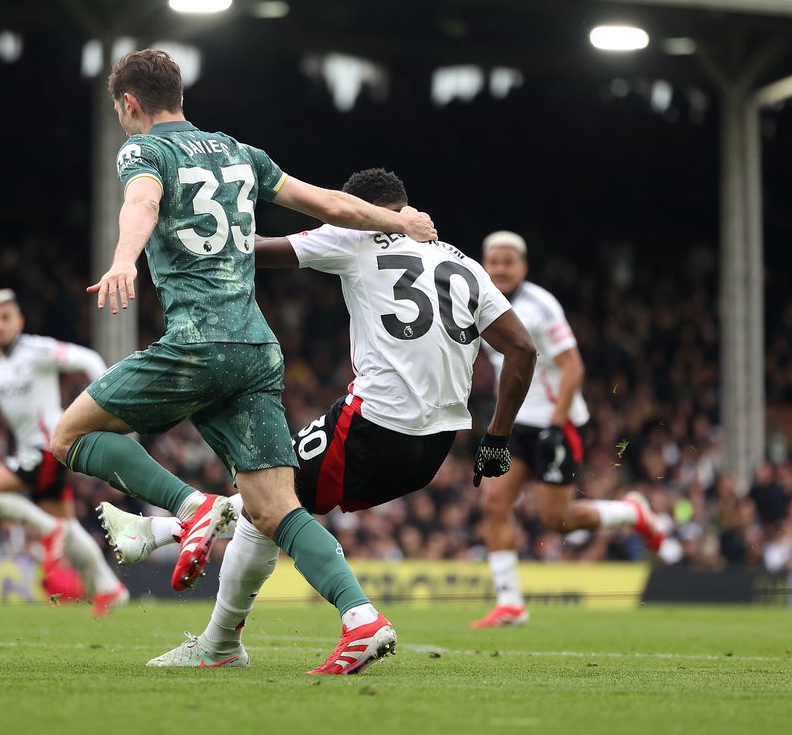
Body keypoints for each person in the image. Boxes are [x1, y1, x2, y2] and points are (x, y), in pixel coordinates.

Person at [48, 51, 439, 674]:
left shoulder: (143, 151)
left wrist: (124, 259)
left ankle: (188, 508)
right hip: (256, 350)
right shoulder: (240, 152)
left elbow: (142, 204)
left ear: (129, 105)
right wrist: (400, 220)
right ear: (180, 92)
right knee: (274, 508)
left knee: (69, 435)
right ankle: (359, 618)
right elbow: (332, 206)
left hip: (197, 342)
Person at [96, 167, 537, 668]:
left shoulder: (356, 236)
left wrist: (183, 229)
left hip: (374, 423)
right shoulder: (463, 262)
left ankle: (198, 578)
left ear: (359, 210)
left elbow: (258, 251)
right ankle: (207, 622)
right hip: (434, 446)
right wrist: (497, 438)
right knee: (268, 512)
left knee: (271, 500)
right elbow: (521, 349)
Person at [473, 232, 665, 628]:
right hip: (515, 425)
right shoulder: (480, 300)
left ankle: (632, 512)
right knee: (493, 503)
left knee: (556, 520)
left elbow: (573, 367)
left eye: (509, 261)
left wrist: (556, 426)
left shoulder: (541, 306)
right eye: (494, 261)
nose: (501, 268)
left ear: (523, 266)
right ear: (485, 263)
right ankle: (510, 604)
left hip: (555, 425)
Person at [0, 289, 128, 616]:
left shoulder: (37, 350)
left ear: (19, 321)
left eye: (5, 318)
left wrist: (103, 405)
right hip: (32, 450)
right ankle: (111, 588)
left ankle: (48, 532)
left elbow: (89, 360)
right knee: (67, 527)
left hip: (51, 445)